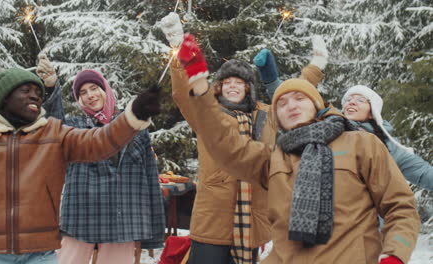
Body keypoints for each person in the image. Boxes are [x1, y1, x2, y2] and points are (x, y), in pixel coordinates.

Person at [172, 33, 420, 264]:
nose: (291, 106)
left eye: (300, 100)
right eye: (282, 104)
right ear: (277, 116)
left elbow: (400, 206)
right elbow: (220, 139)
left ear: (316, 105)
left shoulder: (360, 144)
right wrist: (194, 74)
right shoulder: (274, 158)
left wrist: (394, 255)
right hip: (218, 222)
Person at [162, 13, 328, 264]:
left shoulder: (266, 115)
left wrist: (316, 65)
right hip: (212, 221)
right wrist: (178, 45)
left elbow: (295, 96)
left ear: (248, 88)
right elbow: (184, 93)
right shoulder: (207, 115)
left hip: (252, 221)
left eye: (239, 82)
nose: (232, 86)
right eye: (226, 82)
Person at [0, 67, 160, 263]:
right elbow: (58, 117)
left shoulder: (53, 134)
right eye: (26, 91)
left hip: (45, 251)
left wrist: (132, 116)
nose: (35, 96)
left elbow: (100, 141)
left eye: (38, 93)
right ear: (5, 96)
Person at [35, 56, 166, 264]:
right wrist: (51, 88)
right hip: (81, 215)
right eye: (83, 92)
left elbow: (150, 174)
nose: (90, 96)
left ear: (105, 89)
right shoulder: (74, 126)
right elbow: (53, 125)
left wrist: (155, 227)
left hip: (124, 216)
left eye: (94, 88)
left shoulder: (133, 123)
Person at [341, 85, 433, 191]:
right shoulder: (328, 130)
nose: (351, 102)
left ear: (372, 113)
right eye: (348, 99)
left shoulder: (387, 144)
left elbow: (422, 172)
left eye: (361, 100)